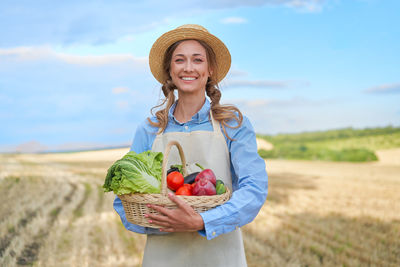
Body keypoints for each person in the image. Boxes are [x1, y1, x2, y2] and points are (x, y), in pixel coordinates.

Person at [113, 24, 268, 267]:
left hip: (219, 256)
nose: (188, 68)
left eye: (197, 60)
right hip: (163, 257)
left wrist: (203, 222)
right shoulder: (150, 129)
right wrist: (163, 222)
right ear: (169, 70)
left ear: (210, 70)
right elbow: (122, 197)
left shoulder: (232, 124)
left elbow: (254, 189)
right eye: (179, 60)